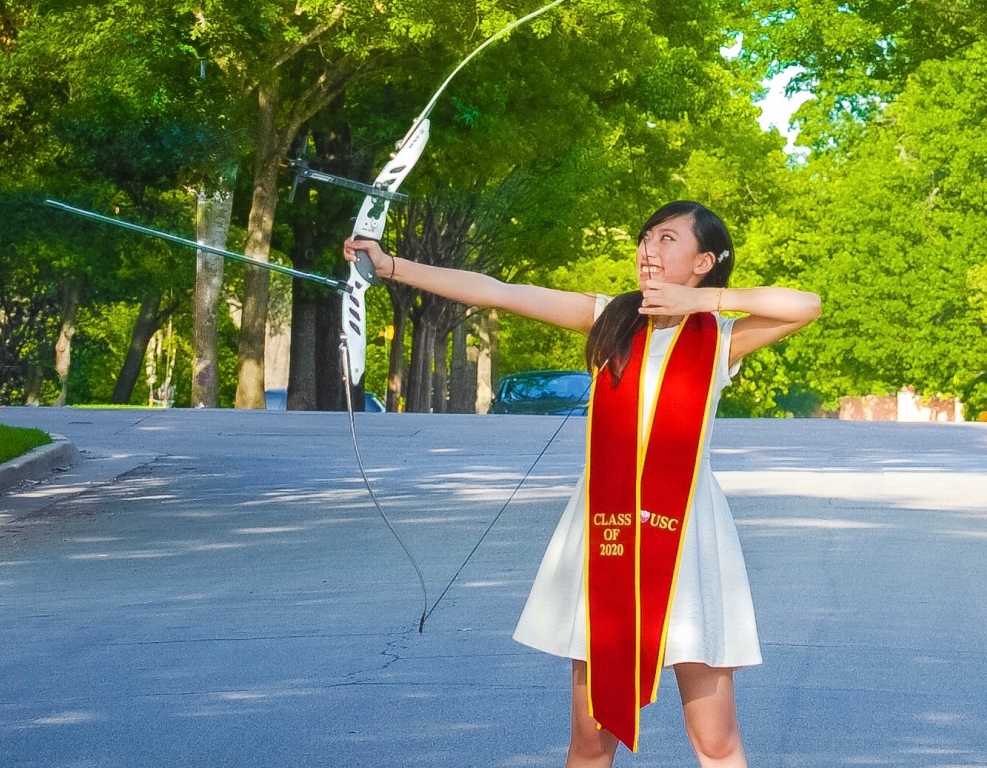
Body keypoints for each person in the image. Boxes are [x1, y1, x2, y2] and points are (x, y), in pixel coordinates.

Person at [345, 200, 820, 767]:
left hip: (688, 542)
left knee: (714, 739)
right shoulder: (611, 317)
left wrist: (701, 302)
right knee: (591, 742)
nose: (648, 249)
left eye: (667, 239)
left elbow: (806, 305)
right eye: (646, 237)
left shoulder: (720, 337)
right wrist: (390, 265)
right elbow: (499, 291)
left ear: (704, 261)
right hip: (604, 533)